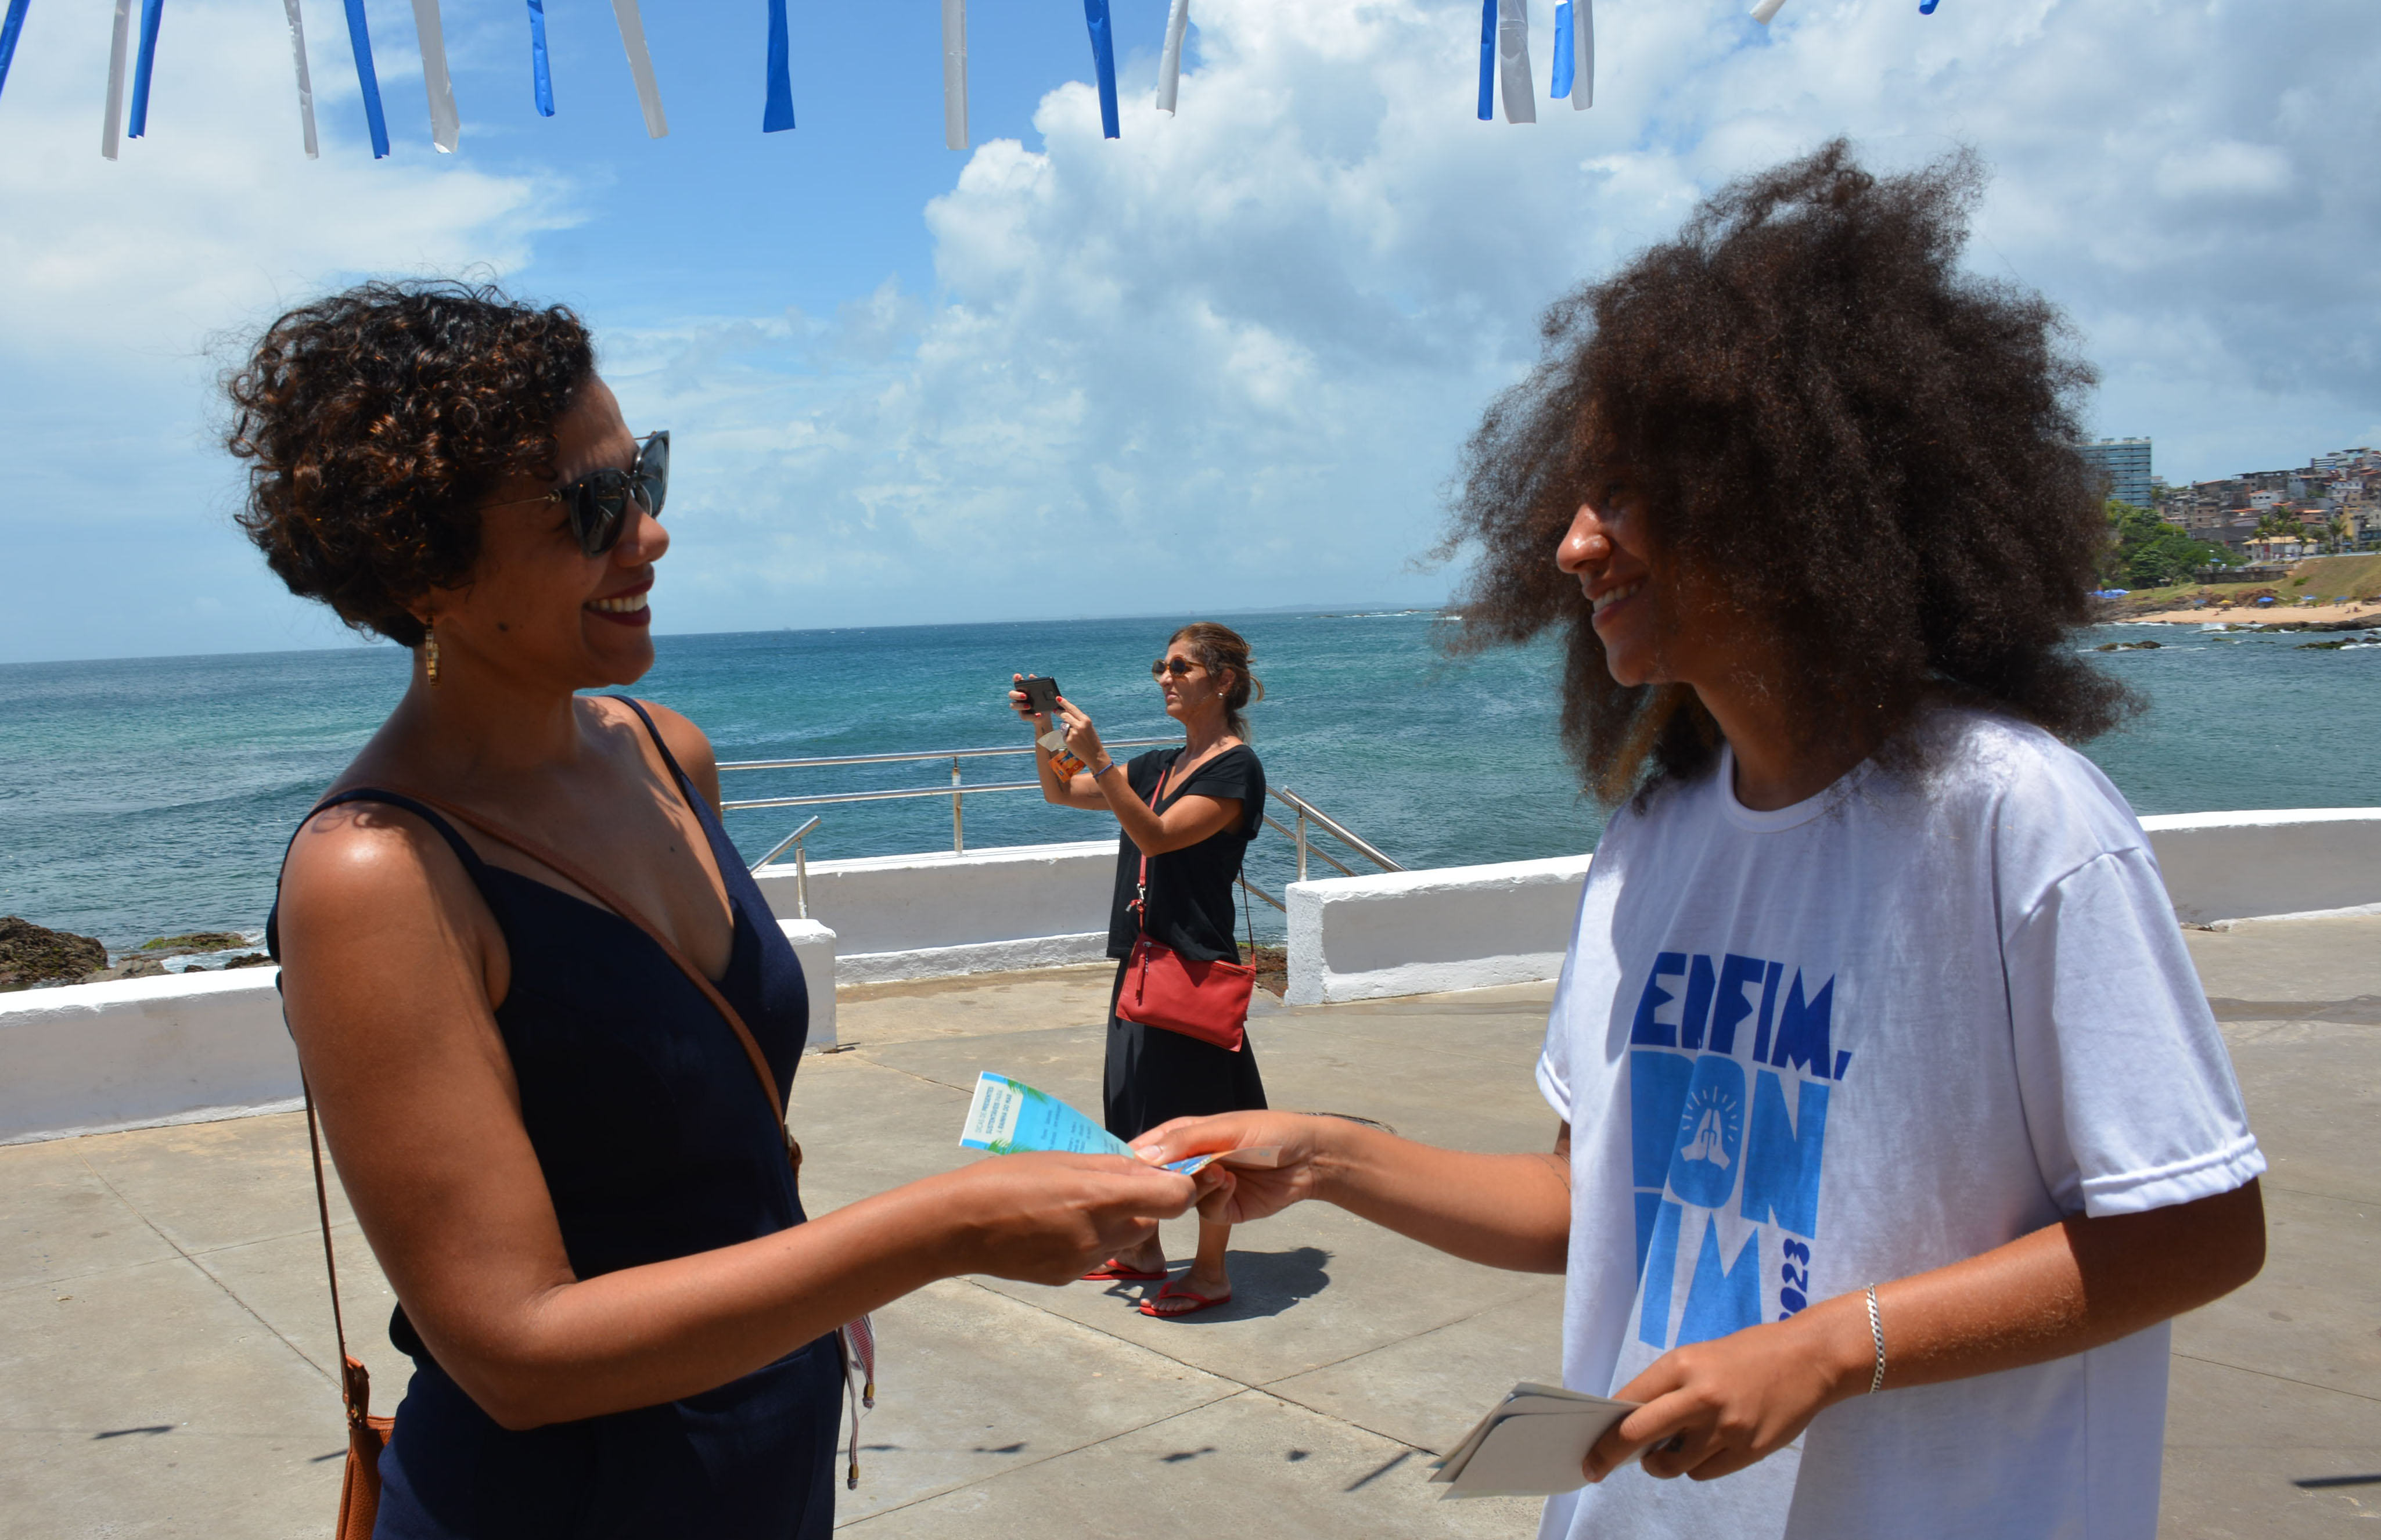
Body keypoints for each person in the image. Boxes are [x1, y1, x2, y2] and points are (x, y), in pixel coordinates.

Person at [1136, 143, 2266, 1538]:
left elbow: (2196, 1228)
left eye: (1620, 494)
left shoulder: (2014, 820)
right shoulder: (1652, 843)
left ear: (1784, 491)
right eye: (1570, 501)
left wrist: (1828, 1348)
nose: (1571, 547)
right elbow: (1586, 1203)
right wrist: (1318, 1155)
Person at [234, 280, 1211, 1539]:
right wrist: (942, 1228)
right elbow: (515, 1353)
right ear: (426, 567)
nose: (649, 534)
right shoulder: (377, 874)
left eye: (644, 476)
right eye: (591, 506)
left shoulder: (666, 752)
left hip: (763, 1447)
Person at [1009, 624, 1268, 1318]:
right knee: (1134, 1116)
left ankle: (1210, 1271)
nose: (1164, 678)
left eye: (1181, 667)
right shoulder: (1159, 765)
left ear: (1223, 681)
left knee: (1204, 1130)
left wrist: (1098, 758)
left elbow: (1154, 835)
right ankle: (1143, 1247)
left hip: (1194, 967)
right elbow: (1063, 792)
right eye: (1161, 666)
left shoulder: (1234, 771)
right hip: (1142, 961)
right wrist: (1045, 731)